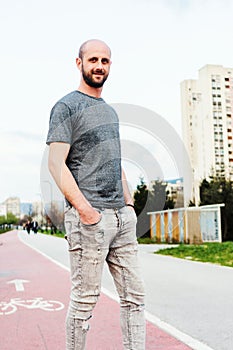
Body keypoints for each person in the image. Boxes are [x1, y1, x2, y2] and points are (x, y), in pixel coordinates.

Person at [46, 39, 145, 350]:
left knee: (135, 298)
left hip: (122, 218)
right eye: (93, 60)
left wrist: (129, 205)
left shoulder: (110, 112)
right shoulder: (66, 107)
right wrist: (86, 211)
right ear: (80, 64)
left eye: (104, 60)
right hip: (90, 220)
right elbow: (55, 163)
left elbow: (115, 161)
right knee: (85, 301)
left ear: (110, 65)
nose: (99, 65)